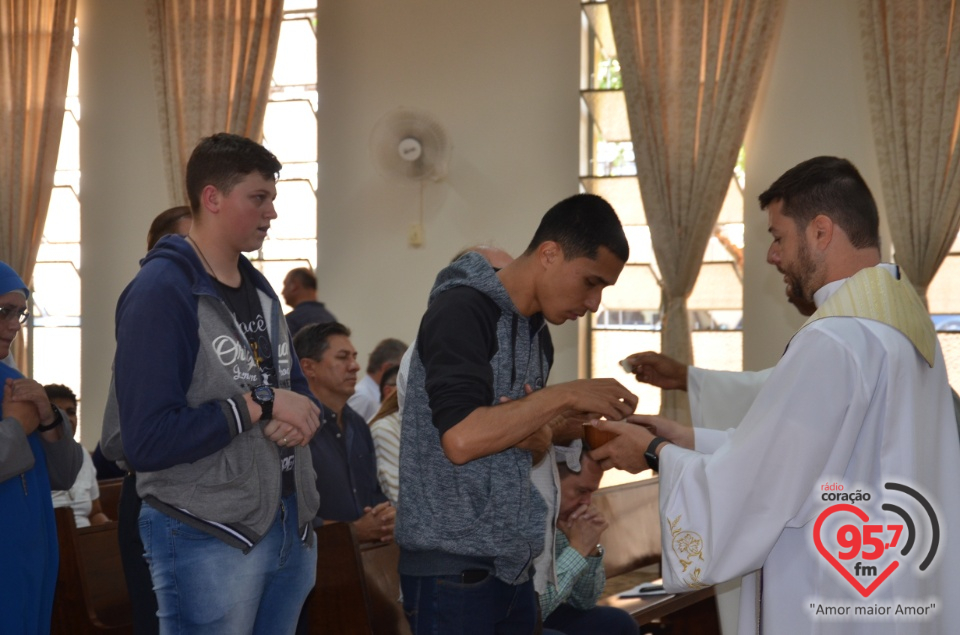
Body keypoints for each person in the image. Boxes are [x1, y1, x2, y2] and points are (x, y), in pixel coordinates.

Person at [591, 156, 960, 634]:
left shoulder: (834, 340)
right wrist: (688, 439)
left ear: (821, 232)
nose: (772, 255)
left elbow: (758, 490)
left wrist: (655, 452)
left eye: (777, 236)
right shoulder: (904, 330)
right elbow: (816, 459)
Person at [105, 132, 322, 635]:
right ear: (212, 198)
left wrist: (298, 416)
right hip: (207, 527)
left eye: (272, 198)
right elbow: (146, 440)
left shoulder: (258, 288)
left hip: (287, 517)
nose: (271, 213)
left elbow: (291, 386)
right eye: (258, 198)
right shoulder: (160, 293)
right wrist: (262, 404)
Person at [396, 193, 638, 634]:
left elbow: (526, 445)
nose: (594, 303)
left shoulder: (537, 333)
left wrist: (535, 428)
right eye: (590, 281)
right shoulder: (461, 310)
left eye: (604, 288)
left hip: (513, 564)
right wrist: (562, 398)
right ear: (549, 254)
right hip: (453, 565)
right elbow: (463, 440)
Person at [0, 261, 84, 634]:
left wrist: (49, 421)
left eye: (20, 313)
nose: (14, 326)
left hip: (29, 556)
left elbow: (63, 476)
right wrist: (17, 426)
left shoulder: (15, 382)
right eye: (4, 311)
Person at [293, 321, 394, 543]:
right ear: (309, 367)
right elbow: (287, 514)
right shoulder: (293, 428)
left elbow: (372, 491)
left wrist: (386, 515)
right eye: (342, 357)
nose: (355, 366)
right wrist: (352, 531)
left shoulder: (358, 424)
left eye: (354, 357)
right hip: (316, 565)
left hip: (364, 562)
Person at [541, 448, 637, 635]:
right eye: (581, 491)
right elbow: (533, 609)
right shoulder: (523, 516)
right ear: (551, 482)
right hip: (504, 619)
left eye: (592, 492)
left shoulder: (565, 518)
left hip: (543, 611)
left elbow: (585, 602)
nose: (587, 502)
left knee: (618, 623)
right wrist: (577, 550)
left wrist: (590, 549)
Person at [45, 383, 110, 527]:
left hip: (85, 540)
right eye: (58, 412)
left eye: (71, 412)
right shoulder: (32, 456)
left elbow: (95, 512)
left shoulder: (83, 454)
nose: (67, 418)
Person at [347, 337, 407, 422]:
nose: (406, 376)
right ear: (387, 368)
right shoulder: (363, 397)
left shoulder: (369, 395)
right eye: (403, 370)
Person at [281, 266, 336, 336]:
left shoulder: (290, 321)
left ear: (294, 285)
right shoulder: (331, 319)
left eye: (285, 285)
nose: (282, 292)